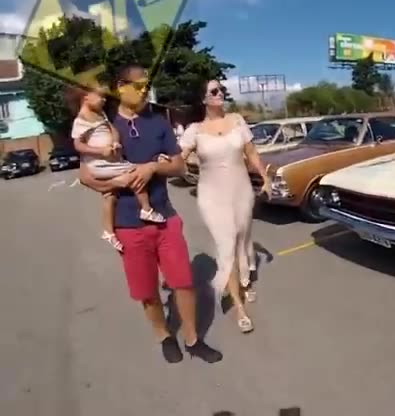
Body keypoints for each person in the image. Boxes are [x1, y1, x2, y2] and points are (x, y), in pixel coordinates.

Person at [78, 64, 222, 364]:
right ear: (121, 87)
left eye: (146, 85)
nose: (144, 91)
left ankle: (193, 340)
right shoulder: (104, 126)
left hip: (165, 218)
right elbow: (86, 176)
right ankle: (164, 335)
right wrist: (117, 182)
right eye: (138, 85)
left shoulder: (158, 123)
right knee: (146, 291)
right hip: (128, 226)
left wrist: (152, 167)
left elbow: (178, 166)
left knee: (183, 282)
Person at [180, 80, 269, 333]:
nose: (220, 94)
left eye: (221, 90)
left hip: (241, 191)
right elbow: (178, 159)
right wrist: (162, 165)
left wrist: (265, 176)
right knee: (226, 245)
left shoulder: (237, 121)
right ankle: (239, 307)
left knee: (242, 238)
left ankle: (245, 280)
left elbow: (251, 153)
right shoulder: (194, 130)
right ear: (204, 99)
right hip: (212, 196)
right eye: (214, 91)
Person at [71, 83, 165, 252]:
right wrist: (100, 151)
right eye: (100, 96)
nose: (104, 100)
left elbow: (113, 130)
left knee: (110, 195)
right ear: (86, 97)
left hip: (111, 161)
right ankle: (146, 209)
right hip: (100, 164)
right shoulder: (81, 120)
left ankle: (108, 232)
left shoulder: (100, 114)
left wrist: (115, 142)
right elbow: (78, 145)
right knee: (135, 172)